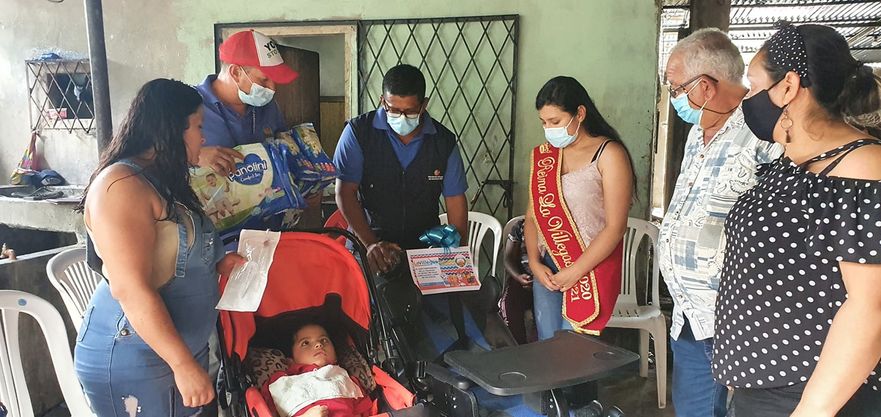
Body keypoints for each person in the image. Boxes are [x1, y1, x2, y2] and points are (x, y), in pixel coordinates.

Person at [713, 23, 881, 417]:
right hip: (762, 389)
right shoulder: (793, 162)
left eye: (753, 86)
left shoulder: (862, 171)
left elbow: (870, 309)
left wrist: (811, 411)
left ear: (788, 86)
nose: (746, 99)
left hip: (812, 396)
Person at [73, 79, 243, 416]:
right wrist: (181, 364)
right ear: (172, 128)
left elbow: (178, 255)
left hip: (178, 351)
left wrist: (221, 265)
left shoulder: (165, 181)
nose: (203, 138)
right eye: (198, 127)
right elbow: (130, 289)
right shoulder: (121, 186)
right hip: (137, 356)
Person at [658, 28, 783, 417]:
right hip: (689, 316)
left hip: (735, 322)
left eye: (676, 88)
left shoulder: (766, 133)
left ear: (705, 87)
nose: (674, 98)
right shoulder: (697, 133)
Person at [196, 29, 298, 176]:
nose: (272, 88)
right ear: (236, 73)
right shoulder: (188, 104)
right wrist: (194, 156)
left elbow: (285, 149)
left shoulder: (268, 106)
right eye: (264, 80)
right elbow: (160, 157)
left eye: (274, 81)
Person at [261, 323, 372, 417]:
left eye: (324, 340)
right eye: (305, 343)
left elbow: (364, 412)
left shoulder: (346, 378)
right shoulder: (280, 382)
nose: (319, 344)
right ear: (290, 360)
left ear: (335, 355)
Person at [500, 218, 536, 345]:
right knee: (508, 305)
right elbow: (508, 258)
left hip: (550, 282)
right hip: (523, 279)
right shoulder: (521, 227)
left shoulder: (560, 229)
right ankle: (518, 346)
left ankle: (540, 345)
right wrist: (518, 276)